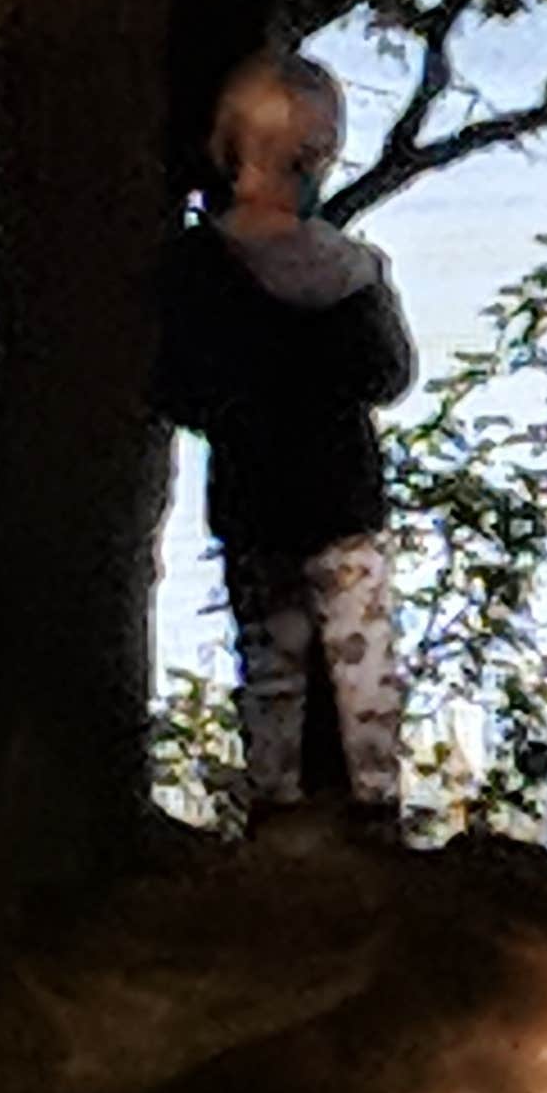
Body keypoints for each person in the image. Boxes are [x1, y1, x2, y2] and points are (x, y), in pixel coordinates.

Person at [153, 50, 416, 838]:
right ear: (319, 157)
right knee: (365, 666)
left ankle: (276, 810)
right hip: (344, 498)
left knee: (272, 664)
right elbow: (391, 375)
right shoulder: (351, 271)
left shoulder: (196, 268)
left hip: (253, 496)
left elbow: (176, 388)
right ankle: (374, 811)